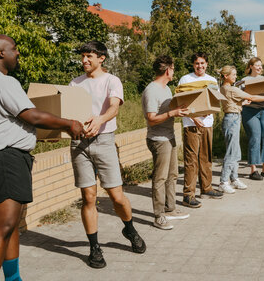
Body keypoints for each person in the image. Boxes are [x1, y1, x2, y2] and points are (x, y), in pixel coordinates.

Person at [0, 34, 84, 281]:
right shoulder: (3, 81)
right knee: (2, 227)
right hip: (3, 159)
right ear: (1, 53)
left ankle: (13, 278)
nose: (18, 53)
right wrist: (69, 124)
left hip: (3, 158)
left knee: (11, 226)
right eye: (14, 49)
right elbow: (31, 116)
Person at [69, 41, 145, 269]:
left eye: (89, 56)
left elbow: (114, 107)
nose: (84, 60)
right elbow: (67, 113)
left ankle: (129, 228)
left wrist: (100, 119)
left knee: (116, 197)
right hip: (79, 144)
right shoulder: (75, 83)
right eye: (82, 56)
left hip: (104, 142)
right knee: (88, 198)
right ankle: (94, 247)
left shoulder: (112, 81)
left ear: (101, 58)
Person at [142, 55, 190, 230]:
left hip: (169, 137)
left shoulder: (167, 89)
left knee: (172, 175)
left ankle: (170, 209)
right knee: (160, 178)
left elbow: (171, 110)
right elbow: (151, 118)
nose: (174, 72)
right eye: (173, 68)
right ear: (168, 70)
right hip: (158, 140)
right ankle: (159, 215)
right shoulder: (152, 90)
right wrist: (172, 114)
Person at [218, 66, 264, 193]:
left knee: (236, 151)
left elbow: (231, 102)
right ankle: (223, 181)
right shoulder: (231, 89)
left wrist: (241, 104)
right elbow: (252, 97)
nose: (235, 76)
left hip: (233, 117)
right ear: (226, 76)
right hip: (232, 119)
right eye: (233, 74)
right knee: (232, 152)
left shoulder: (223, 88)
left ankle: (234, 179)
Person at [177, 52, 223, 208]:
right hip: (191, 124)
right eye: (197, 63)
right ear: (193, 64)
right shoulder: (185, 79)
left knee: (206, 157)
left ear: (207, 64)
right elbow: (181, 102)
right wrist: (194, 117)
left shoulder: (211, 80)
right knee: (191, 161)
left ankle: (206, 188)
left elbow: (215, 102)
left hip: (207, 124)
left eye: (202, 63)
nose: (200, 66)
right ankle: (188, 195)